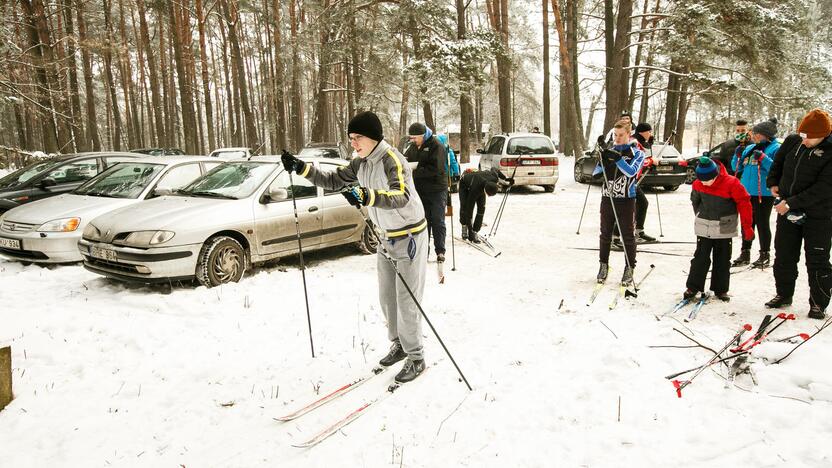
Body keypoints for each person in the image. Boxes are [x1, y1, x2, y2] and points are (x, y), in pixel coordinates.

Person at [280, 111, 428, 383]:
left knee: (407, 299)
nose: (354, 144)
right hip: (385, 237)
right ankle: (399, 345)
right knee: (387, 297)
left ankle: (416, 356)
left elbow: (401, 195)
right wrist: (301, 168)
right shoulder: (360, 162)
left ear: (372, 136)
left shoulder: (392, 159)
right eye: (351, 139)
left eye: (358, 137)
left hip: (409, 236)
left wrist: (366, 195)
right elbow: (334, 180)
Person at [765, 108, 832, 320]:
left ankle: (818, 303)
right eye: (803, 136)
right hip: (787, 210)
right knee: (784, 254)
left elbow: (824, 188)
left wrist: (791, 202)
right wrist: (773, 183)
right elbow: (778, 163)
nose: (804, 141)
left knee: (817, 260)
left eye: (810, 138)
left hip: (818, 215)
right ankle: (784, 294)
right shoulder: (793, 141)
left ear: (824, 134)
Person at [684, 157, 754, 302]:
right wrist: (699, 215)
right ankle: (693, 287)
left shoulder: (732, 183)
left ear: (715, 174)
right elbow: (695, 201)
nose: (705, 183)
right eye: (702, 181)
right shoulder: (698, 183)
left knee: (722, 259)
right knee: (700, 258)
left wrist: (747, 227)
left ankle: (721, 289)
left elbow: (744, 203)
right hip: (704, 224)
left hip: (725, 225)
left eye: (708, 180)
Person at [594, 122, 645, 286]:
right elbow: (596, 173)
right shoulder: (610, 151)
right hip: (607, 198)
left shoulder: (637, 153)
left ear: (629, 134)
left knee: (627, 236)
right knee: (605, 234)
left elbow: (631, 171)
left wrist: (617, 160)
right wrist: (603, 159)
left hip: (626, 200)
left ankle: (629, 267)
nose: (617, 138)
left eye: (621, 135)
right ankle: (603, 265)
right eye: (615, 135)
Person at [730, 118, 780, 268]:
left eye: (757, 134)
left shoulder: (775, 148)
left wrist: (764, 158)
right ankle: (745, 252)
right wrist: (737, 156)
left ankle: (765, 254)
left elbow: (776, 169)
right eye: (754, 133)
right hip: (746, 192)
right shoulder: (750, 148)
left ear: (766, 135)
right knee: (747, 223)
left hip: (763, 193)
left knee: (762, 223)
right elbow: (736, 168)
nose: (754, 136)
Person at [404, 123, 448, 263]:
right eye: (411, 138)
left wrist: (416, 172)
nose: (413, 140)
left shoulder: (436, 146)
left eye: (415, 138)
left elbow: (437, 169)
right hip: (420, 191)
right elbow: (405, 160)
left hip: (436, 190)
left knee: (437, 220)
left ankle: (440, 251)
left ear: (423, 136)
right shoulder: (412, 147)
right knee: (423, 222)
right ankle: (424, 252)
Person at [457, 168, 513, 243]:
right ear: (485, 190)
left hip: (480, 182)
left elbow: (495, 169)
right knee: (465, 206)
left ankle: (475, 231)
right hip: (465, 184)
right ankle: (464, 226)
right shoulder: (474, 190)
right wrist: (470, 232)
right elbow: (469, 211)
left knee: (481, 209)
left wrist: (506, 178)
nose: (488, 197)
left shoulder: (494, 178)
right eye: (488, 195)